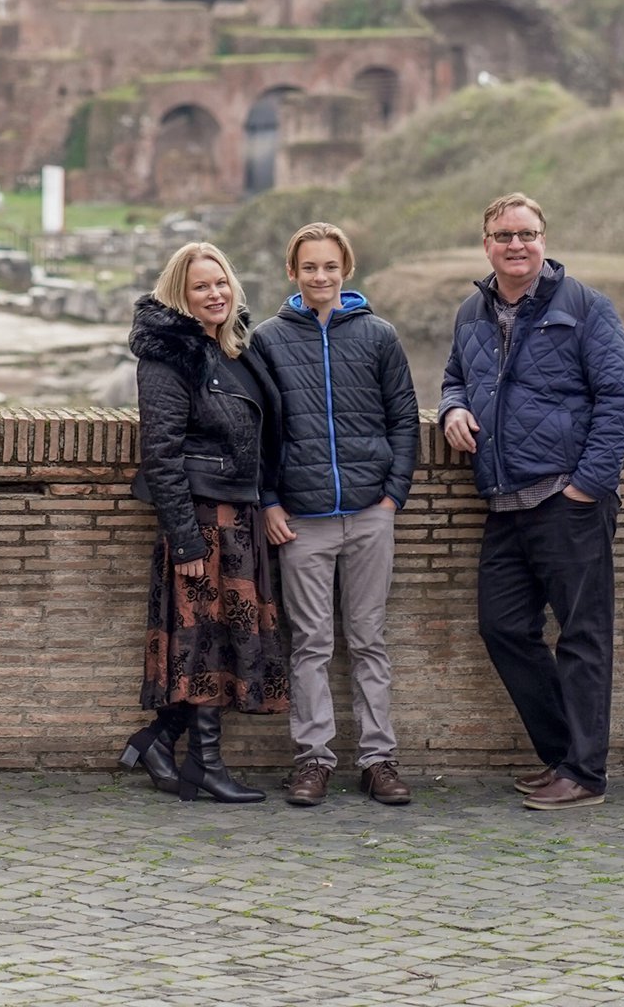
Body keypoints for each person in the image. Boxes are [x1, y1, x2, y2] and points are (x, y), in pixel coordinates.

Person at [440, 191, 624, 811]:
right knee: (502, 628)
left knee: (583, 638)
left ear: (543, 241)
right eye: (504, 235)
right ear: (487, 245)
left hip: (566, 499)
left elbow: (621, 399)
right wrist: (452, 409)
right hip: (504, 502)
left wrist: (587, 485)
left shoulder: (585, 306)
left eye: (527, 234)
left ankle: (585, 774)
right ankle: (563, 756)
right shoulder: (472, 311)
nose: (516, 245)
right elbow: (455, 378)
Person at [116, 239, 288, 805]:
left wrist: (266, 500)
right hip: (201, 519)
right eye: (200, 287)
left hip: (240, 516)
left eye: (220, 283)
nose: (215, 294)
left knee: (223, 639)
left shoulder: (238, 346)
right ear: (180, 295)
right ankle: (204, 765)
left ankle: (158, 741)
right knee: (204, 642)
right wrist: (186, 540)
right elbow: (161, 455)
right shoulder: (168, 356)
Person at [256, 220, 418, 808]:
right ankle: (314, 760)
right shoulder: (268, 339)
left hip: (370, 513)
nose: (320, 276)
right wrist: (270, 501)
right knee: (311, 644)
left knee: (369, 639)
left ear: (345, 269)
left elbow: (404, 419)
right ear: (292, 272)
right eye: (309, 267)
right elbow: (257, 430)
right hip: (302, 520)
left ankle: (378, 760)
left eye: (330, 266)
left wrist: (392, 497)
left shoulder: (379, 335)